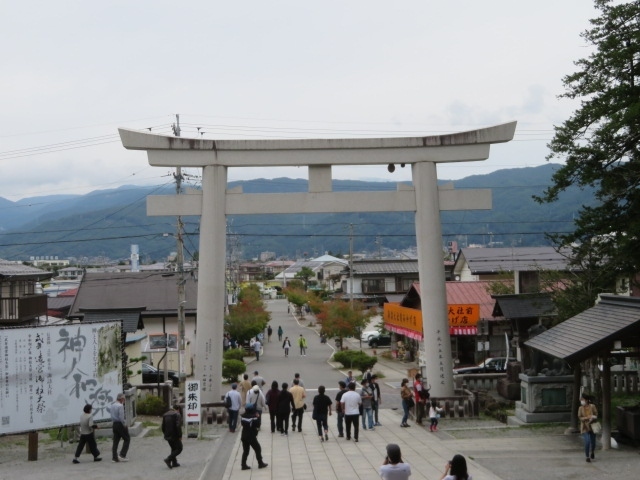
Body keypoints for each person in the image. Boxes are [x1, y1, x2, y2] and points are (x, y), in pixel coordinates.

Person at [240, 404, 268, 470]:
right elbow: (258, 425)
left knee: (246, 450)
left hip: (244, 435)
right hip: (251, 436)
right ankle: (260, 463)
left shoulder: (243, 416)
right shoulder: (253, 417)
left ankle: (243, 465)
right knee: (258, 448)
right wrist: (258, 417)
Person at [108, 393, 130, 462]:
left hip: (114, 424)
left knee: (115, 441)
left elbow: (111, 416)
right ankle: (122, 455)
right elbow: (121, 417)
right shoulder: (120, 406)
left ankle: (114, 457)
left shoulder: (112, 405)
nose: (124, 400)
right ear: (121, 399)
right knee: (127, 439)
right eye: (123, 399)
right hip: (120, 424)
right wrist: (125, 425)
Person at [161, 404, 183, 469]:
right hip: (175, 435)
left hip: (167, 435)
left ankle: (174, 462)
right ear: (178, 409)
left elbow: (163, 426)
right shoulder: (177, 414)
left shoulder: (165, 415)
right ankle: (168, 459)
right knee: (179, 448)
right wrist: (180, 435)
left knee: (173, 448)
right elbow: (178, 426)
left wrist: (165, 433)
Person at [578, 393, 598, 462]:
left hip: (592, 426)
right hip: (584, 427)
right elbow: (580, 417)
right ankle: (587, 456)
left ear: (586, 400)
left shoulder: (592, 406)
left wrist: (593, 417)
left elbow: (596, 415)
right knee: (587, 441)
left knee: (593, 442)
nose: (581, 400)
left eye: (582, 399)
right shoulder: (580, 408)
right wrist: (587, 417)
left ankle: (592, 451)